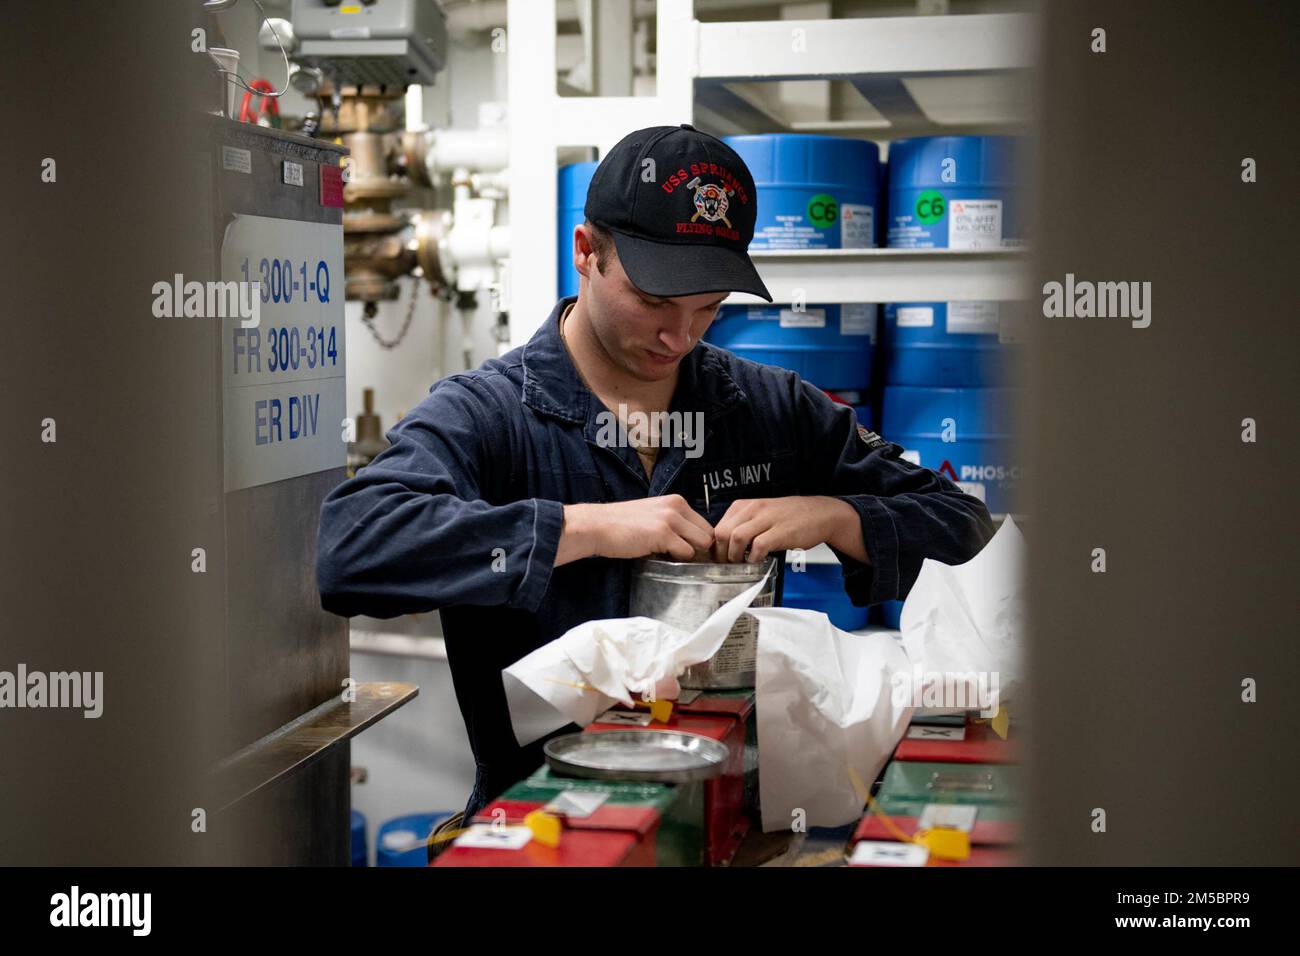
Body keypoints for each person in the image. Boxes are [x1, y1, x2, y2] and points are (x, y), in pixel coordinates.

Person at [316, 124, 995, 826]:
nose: (681, 336)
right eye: (655, 301)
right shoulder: (489, 415)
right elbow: (350, 550)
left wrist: (839, 517)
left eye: (708, 308)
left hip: (734, 818)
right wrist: (576, 529)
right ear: (586, 253)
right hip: (549, 825)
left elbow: (969, 532)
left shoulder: (769, 408)